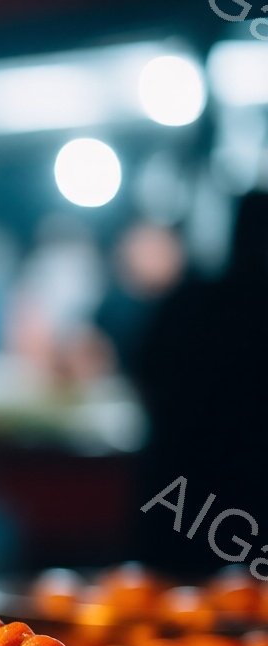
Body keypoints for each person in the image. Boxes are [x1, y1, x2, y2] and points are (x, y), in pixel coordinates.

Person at [129, 191, 265, 573]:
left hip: (178, 488)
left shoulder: (192, 300)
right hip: (246, 491)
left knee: (160, 604)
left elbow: (142, 370)